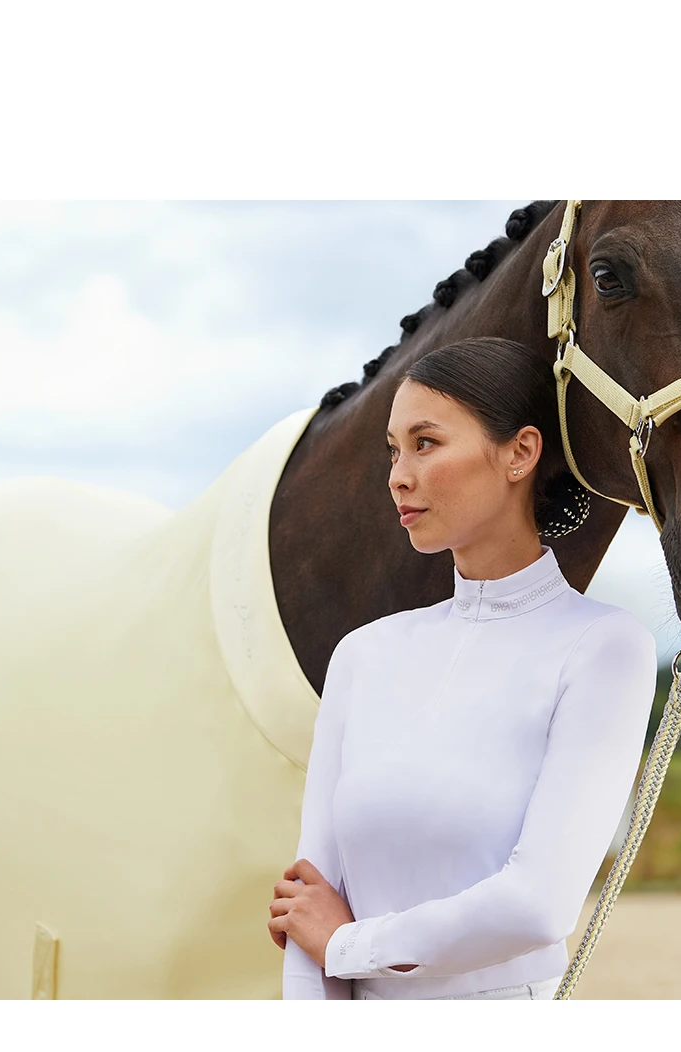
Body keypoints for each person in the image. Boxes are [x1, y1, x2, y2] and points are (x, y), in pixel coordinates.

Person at [268, 337, 659, 1000]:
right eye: (393, 451)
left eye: (425, 443)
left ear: (520, 453)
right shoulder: (361, 655)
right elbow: (309, 899)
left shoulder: (603, 647)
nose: (398, 476)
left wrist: (348, 946)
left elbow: (537, 906)